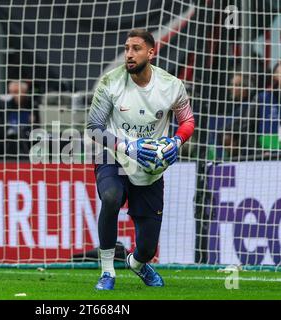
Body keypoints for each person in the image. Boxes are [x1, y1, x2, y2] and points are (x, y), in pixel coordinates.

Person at [86, 29, 195, 290]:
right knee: (111, 197)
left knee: (147, 248)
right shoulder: (110, 82)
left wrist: (175, 142)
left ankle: (136, 263)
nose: (129, 54)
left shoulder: (171, 85)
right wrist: (127, 147)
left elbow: (187, 121)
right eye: (126, 48)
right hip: (114, 156)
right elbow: (93, 126)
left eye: (136, 48)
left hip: (150, 166)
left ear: (151, 52)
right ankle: (108, 272)